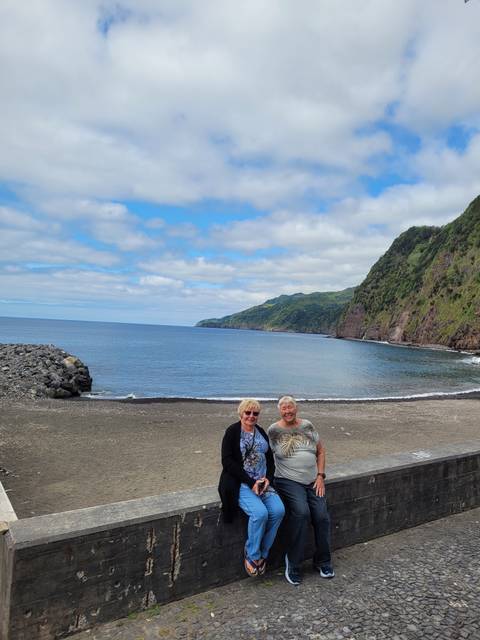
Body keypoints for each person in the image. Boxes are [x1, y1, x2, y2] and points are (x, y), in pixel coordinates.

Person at [268, 395, 334, 586]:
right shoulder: (274, 430)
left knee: (322, 517)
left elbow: (321, 451)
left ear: (296, 409)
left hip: (313, 481)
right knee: (302, 513)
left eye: (291, 408)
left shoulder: (307, 425)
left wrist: (321, 475)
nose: (288, 411)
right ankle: (293, 563)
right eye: (284, 408)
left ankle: (323, 561)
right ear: (280, 411)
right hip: (287, 481)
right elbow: (265, 453)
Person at [218, 398, 285, 577]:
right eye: (248, 412)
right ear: (241, 413)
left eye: (255, 413)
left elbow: (270, 460)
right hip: (241, 484)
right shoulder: (232, 432)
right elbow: (227, 462)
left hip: (262, 484)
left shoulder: (261, 431)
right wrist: (251, 482)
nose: (251, 416)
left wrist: (268, 479)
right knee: (260, 514)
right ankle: (252, 554)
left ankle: (263, 552)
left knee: (278, 511)